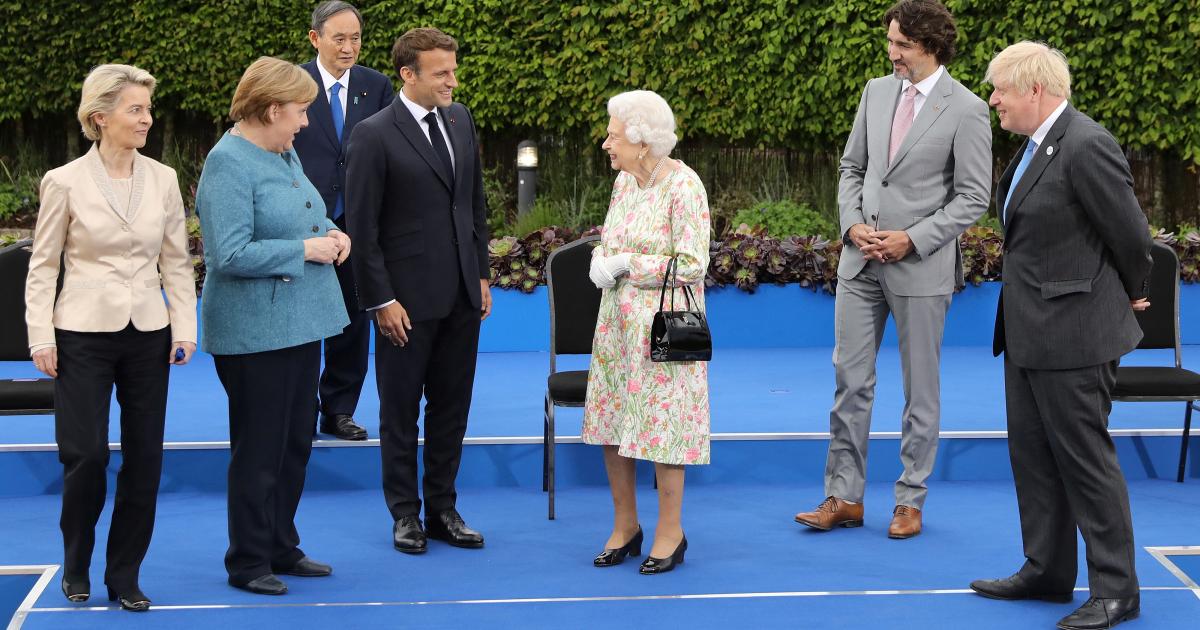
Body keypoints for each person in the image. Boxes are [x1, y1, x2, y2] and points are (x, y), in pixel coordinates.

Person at [793, 0, 991, 539]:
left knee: (919, 391)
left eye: (902, 44)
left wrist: (913, 239)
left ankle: (910, 501)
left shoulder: (968, 109)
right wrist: (852, 224)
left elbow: (973, 197)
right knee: (849, 381)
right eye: (890, 41)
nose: (892, 53)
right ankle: (844, 496)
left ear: (931, 46)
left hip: (920, 267)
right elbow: (851, 167)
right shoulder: (876, 92)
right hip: (860, 263)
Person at [970, 41, 1151, 630]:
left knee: (1085, 462)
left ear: (1035, 89)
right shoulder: (1033, 147)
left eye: (1000, 89)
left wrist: (1132, 290)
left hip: (1075, 336)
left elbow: (1131, 236)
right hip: (1027, 332)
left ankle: (1117, 591)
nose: (992, 99)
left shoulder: (1087, 143)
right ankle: (1047, 570)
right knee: (1034, 457)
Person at [25, 63, 197, 612]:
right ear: (100, 117)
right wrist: (40, 337)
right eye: (135, 109)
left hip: (148, 332)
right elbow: (43, 266)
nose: (147, 119)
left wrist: (185, 327)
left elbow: (176, 260)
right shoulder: (64, 181)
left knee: (145, 459)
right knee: (86, 455)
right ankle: (76, 561)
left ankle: (124, 574)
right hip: (81, 333)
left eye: (148, 109)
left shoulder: (163, 179)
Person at [196, 56, 351, 596]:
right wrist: (305, 249)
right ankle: (248, 559)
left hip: (301, 321)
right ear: (270, 109)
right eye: (300, 111)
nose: (306, 122)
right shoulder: (228, 163)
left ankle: (282, 544)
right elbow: (228, 253)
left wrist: (331, 231)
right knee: (260, 449)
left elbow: (304, 212)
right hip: (254, 331)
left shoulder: (281, 151)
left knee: (294, 444)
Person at [346, 27, 491, 555]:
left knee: (452, 408)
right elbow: (362, 227)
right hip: (403, 303)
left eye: (454, 70)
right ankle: (405, 513)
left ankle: (444, 509)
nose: (453, 81)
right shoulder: (372, 134)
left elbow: (473, 203)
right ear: (408, 74)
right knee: (400, 410)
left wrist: (480, 274)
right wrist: (381, 300)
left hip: (461, 295)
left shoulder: (460, 118)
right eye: (441, 73)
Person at [582, 90, 711, 575]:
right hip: (616, 327)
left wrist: (626, 263)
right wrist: (601, 258)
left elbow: (693, 263)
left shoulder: (684, 185)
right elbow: (612, 237)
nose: (606, 144)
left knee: (662, 427)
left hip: (663, 331)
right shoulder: (624, 181)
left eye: (613, 136)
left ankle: (670, 532)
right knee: (613, 423)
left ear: (642, 141)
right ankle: (625, 527)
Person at [292, 0, 393, 441]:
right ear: (315, 38)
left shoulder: (377, 85)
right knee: (300, 322)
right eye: (339, 38)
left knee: (352, 323)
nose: (349, 47)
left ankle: (338, 410)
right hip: (299, 222)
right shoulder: (292, 82)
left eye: (355, 38)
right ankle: (298, 409)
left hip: (357, 223)